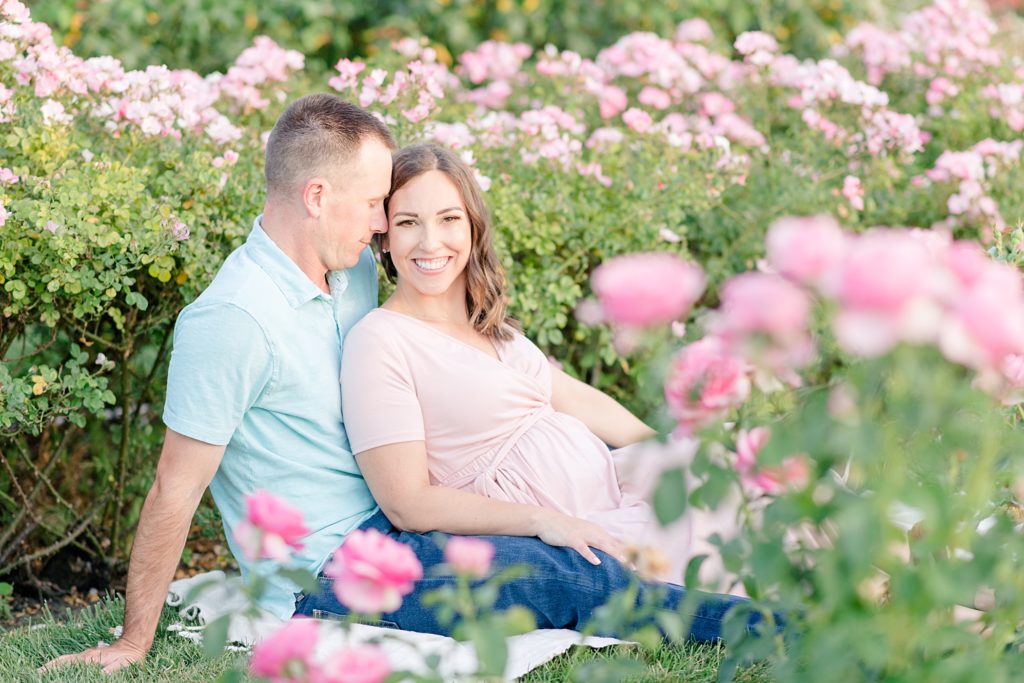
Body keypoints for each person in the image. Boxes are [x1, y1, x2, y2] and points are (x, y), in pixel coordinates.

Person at [42, 95, 752, 675]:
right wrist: (135, 641)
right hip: (335, 565)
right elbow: (175, 485)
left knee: (580, 550)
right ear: (316, 196)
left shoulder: (345, 268)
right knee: (561, 576)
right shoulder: (232, 321)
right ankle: (777, 631)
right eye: (377, 204)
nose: (385, 227)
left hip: (406, 521)